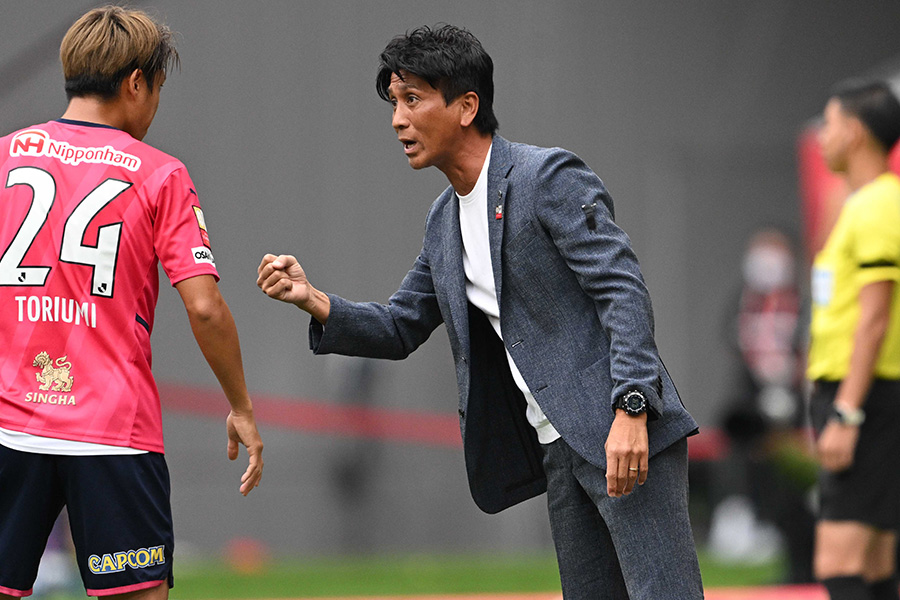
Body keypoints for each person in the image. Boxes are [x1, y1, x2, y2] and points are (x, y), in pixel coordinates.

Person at [258, 24, 701, 599]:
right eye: (394, 103)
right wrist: (313, 299)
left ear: (467, 107)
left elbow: (623, 289)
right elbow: (399, 326)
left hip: (623, 432)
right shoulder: (443, 220)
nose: (397, 120)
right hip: (558, 449)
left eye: (412, 99)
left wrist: (633, 408)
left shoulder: (547, 177)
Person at [0, 7, 264, 599]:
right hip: (113, 432)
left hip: (9, 425)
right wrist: (241, 405)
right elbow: (204, 307)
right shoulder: (159, 173)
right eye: (158, 89)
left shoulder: (4, 156)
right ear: (136, 83)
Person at [807, 80, 900, 600]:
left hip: (864, 397)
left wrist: (846, 413)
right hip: (867, 396)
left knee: (838, 563)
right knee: (874, 561)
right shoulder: (863, 202)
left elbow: (874, 319)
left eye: (829, 123)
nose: (821, 137)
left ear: (855, 132)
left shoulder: (877, 205)